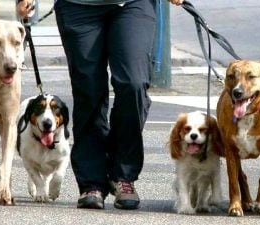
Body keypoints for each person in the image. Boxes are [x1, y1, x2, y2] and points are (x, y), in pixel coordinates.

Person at [16, 0, 184, 210]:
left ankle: (123, 175)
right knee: (88, 90)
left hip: (132, 5)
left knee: (134, 83)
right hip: (77, 6)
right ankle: (92, 182)